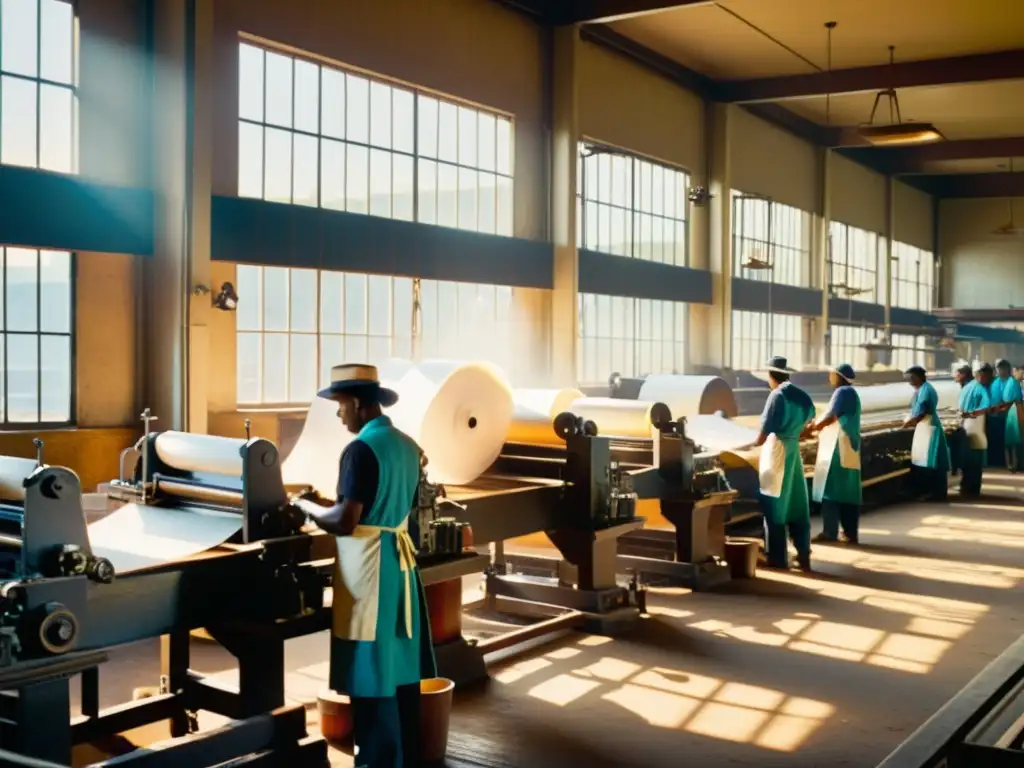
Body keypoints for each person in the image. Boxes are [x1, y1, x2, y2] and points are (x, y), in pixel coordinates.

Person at [293, 363, 436, 768]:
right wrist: (328, 504)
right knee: (400, 669)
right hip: (399, 569)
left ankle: (378, 761)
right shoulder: (407, 445)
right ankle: (406, 757)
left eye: (340, 406)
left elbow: (346, 521)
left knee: (371, 672)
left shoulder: (359, 449)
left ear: (357, 403)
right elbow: (383, 505)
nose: (339, 415)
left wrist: (304, 507)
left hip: (369, 575)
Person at [753, 356, 816, 570]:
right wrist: (796, 431)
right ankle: (803, 554)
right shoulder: (802, 395)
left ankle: (778, 558)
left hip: (777, 451)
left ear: (772, 376)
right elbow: (810, 422)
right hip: (793, 451)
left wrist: (746, 445)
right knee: (797, 504)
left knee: (774, 504)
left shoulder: (776, 395)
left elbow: (764, 433)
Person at [807, 363, 861, 545]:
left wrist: (811, 428)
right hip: (849, 448)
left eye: (831, 374)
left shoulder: (842, 392)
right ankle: (850, 533)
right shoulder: (852, 393)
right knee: (848, 493)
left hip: (838, 448)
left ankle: (830, 532)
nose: (829, 377)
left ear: (839, 376)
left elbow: (830, 416)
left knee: (830, 490)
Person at [902, 365, 950, 501]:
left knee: (930, 461)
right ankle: (930, 492)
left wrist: (908, 423)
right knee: (924, 460)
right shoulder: (920, 390)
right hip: (923, 427)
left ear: (919, 377)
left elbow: (922, 411)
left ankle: (933, 494)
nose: (909, 381)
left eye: (911, 378)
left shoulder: (926, 390)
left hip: (929, 426)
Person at [956, 361, 990, 497]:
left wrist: (968, 414)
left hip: (970, 427)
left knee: (970, 461)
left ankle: (968, 487)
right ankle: (971, 488)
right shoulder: (977, 387)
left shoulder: (971, 388)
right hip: (974, 428)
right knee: (974, 462)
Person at [997, 359, 1024, 472]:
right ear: (1016, 371)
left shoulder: (1013, 382)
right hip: (1014, 412)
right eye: (1022, 373)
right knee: (1015, 440)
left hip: (1013, 412)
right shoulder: (1013, 383)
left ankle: (1013, 464)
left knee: (1013, 441)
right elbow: (1010, 399)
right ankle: (1014, 464)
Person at [985, 360, 1008, 467]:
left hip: (1004, 417)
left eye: (1001, 369)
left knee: (1002, 440)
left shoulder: (1010, 382)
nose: (999, 371)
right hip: (993, 416)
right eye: (998, 369)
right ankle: (994, 461)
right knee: (994, 440)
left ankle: (1001, 461)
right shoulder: (994, 382)